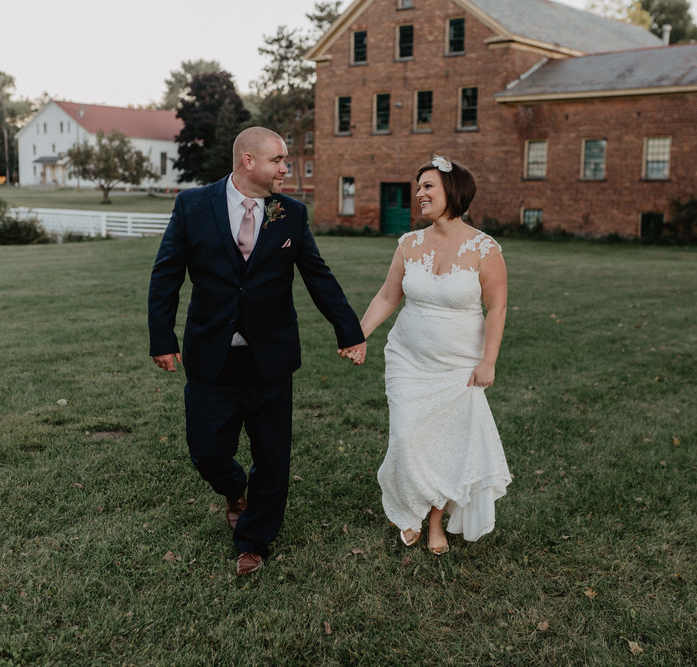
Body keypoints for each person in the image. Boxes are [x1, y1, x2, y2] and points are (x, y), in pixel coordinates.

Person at [148, 127, 367, 576]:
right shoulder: (193, 206)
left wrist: (349, 329)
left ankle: (253, 540)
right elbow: (166, 275)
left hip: (271, 358)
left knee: (272, 457)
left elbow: (317, 275)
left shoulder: (290, 214)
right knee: (207, 451)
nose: (286, 169)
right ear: (248, 161)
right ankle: (233, 489)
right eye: (279, 161)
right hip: (212, 355)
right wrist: (161, 338)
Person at [358, 155, 511, 555]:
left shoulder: (484, 247)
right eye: (419, 186)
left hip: (459, 365)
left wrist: (488, 361)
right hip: (408, 360)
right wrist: (358, 334)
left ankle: (435, 522)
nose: (419, 193)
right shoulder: (408, 245)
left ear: (453, 192)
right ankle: (410, 508)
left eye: (428, 186)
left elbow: (496, 308)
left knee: (446, 444)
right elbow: (389, 295)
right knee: (408, 437)